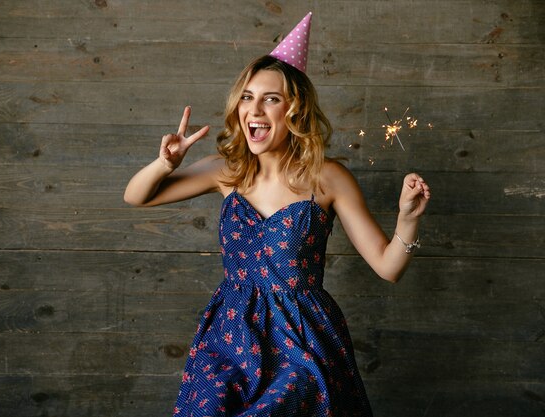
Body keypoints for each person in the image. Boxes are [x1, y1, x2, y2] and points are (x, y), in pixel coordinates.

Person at [124, 13, 430, 417]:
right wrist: (166, 163)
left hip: (301, 341)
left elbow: (389, 267)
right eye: (248, 97)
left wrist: (407, 218)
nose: (255, 109)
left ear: (294, 110)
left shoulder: (328, 178)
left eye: (271, 98)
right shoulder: (227, 171)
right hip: (229, 337)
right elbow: (136, 197)